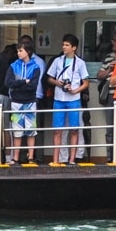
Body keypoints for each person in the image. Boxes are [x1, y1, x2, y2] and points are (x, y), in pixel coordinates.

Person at [46, 35, 89, 165]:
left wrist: (75, 90)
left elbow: (86, 82)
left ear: (74, 48)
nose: (64, 47)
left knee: (74, 129)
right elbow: (49, 78)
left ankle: (72, 160)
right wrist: (58, 83)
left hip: (74, 99)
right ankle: (55, 160)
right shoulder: (58, 61)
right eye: (63, 44)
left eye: (67, 45)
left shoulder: (80, 63)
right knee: (57, 130)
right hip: (58, 98)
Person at [4, 39, 45, 165]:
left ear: (28, 51)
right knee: (17, 131)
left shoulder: (35, 67)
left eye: (20, 50)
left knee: (31, 130)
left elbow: (33, 86)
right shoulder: (13, 65)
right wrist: (23, 81)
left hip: (30, 101)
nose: (18, 53)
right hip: (16, 102)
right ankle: (15, 158)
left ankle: (30, 157)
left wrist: (18, 85)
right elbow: (8, 83)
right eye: (17, 51)